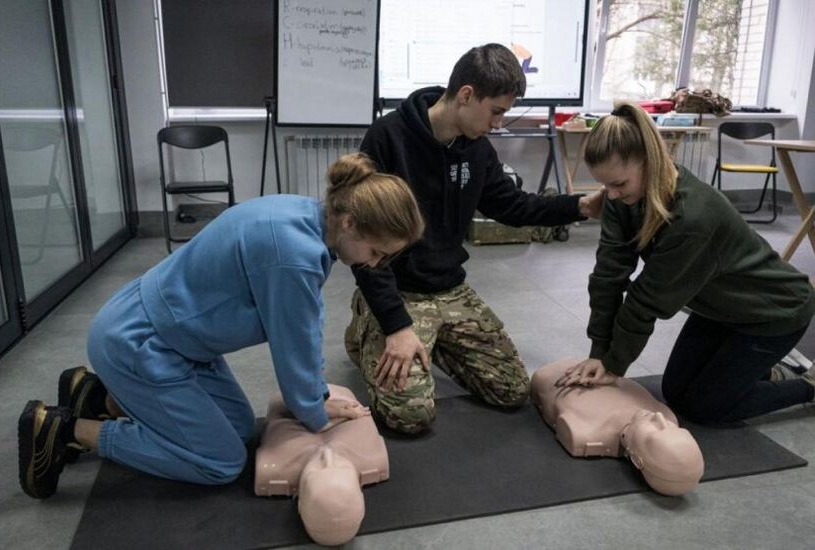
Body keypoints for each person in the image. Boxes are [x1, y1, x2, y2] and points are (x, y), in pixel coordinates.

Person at [17, 153, 425, 499]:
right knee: (221, 462)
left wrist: (315, 397)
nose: (374, 264)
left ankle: (97, 398)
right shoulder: (294, 256)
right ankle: (66, 429)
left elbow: (304, 327)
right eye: (376, 252)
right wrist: (316, 412)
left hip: (174, 340)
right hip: (138, 343)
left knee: (242, 430)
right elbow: (295, 345)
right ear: (351, 223)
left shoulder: (302, 212)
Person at [345, 43, 604, 435]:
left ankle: (430, 340)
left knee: (512, 390)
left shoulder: (477, 149)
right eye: (496, 111)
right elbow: (364, 243)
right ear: (467, 95)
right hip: (399, 291)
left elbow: (513, 206)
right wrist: (396, 325)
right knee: (410, 416)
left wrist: (581, 205)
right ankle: (368, 326)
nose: (498, 123)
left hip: (449, 288)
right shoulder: (387, 138)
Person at [555, 101, 815, 424]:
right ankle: (765, 371)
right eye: (605, 185)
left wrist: (613, 365)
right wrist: (598, 352)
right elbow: (608, 275)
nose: (610, 195)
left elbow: (646, 300)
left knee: (705, 408)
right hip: (722, 308)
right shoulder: (622, 196)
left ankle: (808, 386)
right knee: (675, 391)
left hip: (775, 312)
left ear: (649, 162)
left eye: (619, 184)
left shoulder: (693, 218)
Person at [531, 359, 704, 496]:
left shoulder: (585, 431)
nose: (658, 418)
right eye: (674, 428)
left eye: (656, 431)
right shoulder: (665, 415)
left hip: (549, 375)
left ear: (637, 460)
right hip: (589, 368)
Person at [255, 385, 389, 546]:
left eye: (318, 468)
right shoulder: (372, 455)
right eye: (342, 467)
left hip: (288, 397)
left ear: (300, 504)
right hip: (331, 396)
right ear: (361, 495)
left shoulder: (271, 466)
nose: (327, 456)